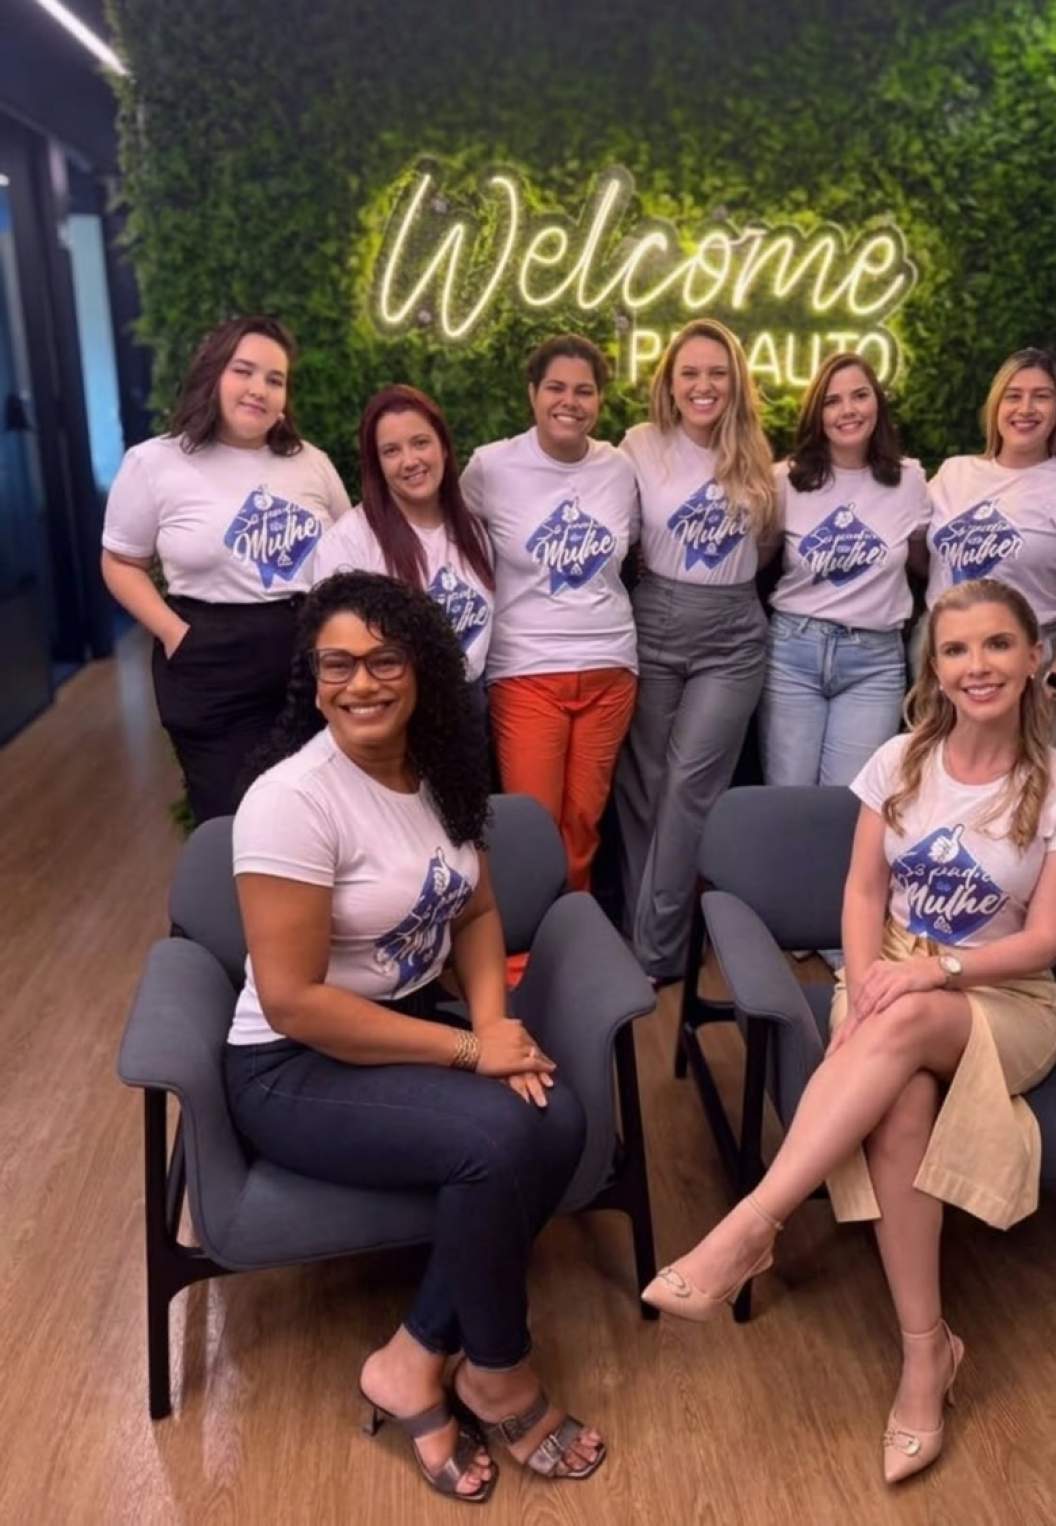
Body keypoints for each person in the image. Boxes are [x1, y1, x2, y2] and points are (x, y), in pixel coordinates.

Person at [643, 578, 1056, 1484]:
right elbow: (862, 893)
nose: (977, 666)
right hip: (888, 979)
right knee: (899, 1109)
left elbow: (1048, 939)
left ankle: (751, 1225)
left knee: (908, 1020)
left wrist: (933, 974)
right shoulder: (898, 760)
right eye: (956, 649)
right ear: (934, 667)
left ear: (1033, 658)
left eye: (997, 645)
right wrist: (861, 986)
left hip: (1003, 997)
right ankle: (927, 1354)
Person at [224, 571, 605, 1503]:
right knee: (498, 1137)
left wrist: (494, 1021)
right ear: (312, 679)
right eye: (337, 665)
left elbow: (476, 910)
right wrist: (472, 1052)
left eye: (385, 660)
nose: (361, 683)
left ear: (423, 668)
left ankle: (411, 1357)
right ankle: (499, 1372)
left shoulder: (436, 772)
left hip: (396, 1030)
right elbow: (293, 1003)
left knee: (558, 1117)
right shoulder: (293, 800)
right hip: (289, 1067)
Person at [101, 315, 350, 822]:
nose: (259, 388)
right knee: (237, 822)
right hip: (211, 664)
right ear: (213, 374)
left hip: (309, 661)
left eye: (275, 379)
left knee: (319, 818)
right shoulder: (155, 463)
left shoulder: (311, 463)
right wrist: (175, 634)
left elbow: (352, 553)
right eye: (243, 371)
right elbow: (121, 562)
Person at [614, 317, 777, 984]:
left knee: (689, 789)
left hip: (733, 634)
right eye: (690, 373)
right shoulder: (639, 445)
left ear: (735, 381)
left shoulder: (757, 451)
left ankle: (654, 954)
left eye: (717, 373)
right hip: (654, 620)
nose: (703, 385)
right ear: (670, 383)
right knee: (644, 789)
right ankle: (649, 935)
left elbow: (767, 544)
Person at [460, 334, 638, 895]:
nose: (570, 402)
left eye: (584, 391)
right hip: (526, 671)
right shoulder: (490, 467)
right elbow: (449, 543)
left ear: (599, 400)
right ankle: (524, 940)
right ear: (533, 393)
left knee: (583, 824)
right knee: (532, 824)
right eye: (556, 388)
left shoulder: (619, 468)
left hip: (610, 668)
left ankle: (573, 927)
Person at [760, 351, 930, 787]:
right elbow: (757, 559)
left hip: (874, 661)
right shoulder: (785, 481)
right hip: (794, 652)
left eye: (859, 395)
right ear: (817, 414)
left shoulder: (909, 480)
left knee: (849, 802)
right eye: (832, 401)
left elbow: (927, 563)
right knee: (788, 795)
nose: (848, 410)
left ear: (878, 403)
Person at [926, 347, 1056, 724]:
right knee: (932, 755)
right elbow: (920, 550)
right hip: (943, 649)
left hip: (1025, 659)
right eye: (1013, 396)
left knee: (1018, 762)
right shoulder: (953, 473)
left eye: (1041, 396)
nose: (1025, 408)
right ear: (996, 405)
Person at [312, 385, 495, 721]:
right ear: (377, 464)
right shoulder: (349, 542)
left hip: (470, 715)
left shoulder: (474, 532)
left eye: (420, 443)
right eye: (391, 451)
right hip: (391, 719)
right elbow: (335, 657)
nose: (410, 461)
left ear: (443, 448)